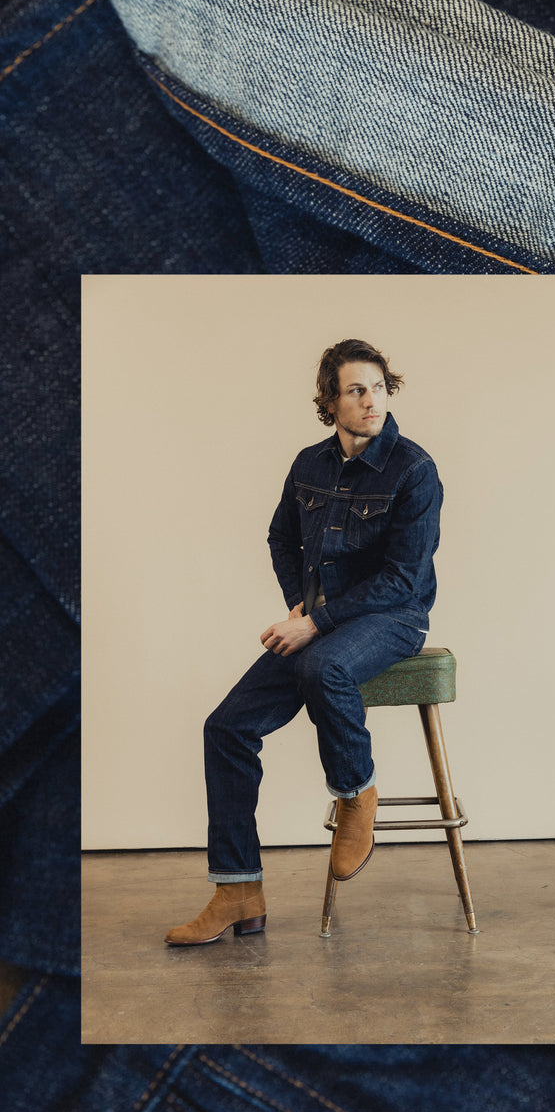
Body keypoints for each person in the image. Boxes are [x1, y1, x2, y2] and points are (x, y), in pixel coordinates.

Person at [165, 340, 442, 945]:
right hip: (321, 619)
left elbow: (401, 579)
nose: (372, 401)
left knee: (321, 668)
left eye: (378, 388)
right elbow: (278, 535)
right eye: (356, 390)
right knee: (226, 728)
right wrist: (301, 603)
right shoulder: (308, 465)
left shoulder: (415, 471)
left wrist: (316, 623)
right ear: (330, 402)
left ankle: (355, 794)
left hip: (393, 617)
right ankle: (238, 891)